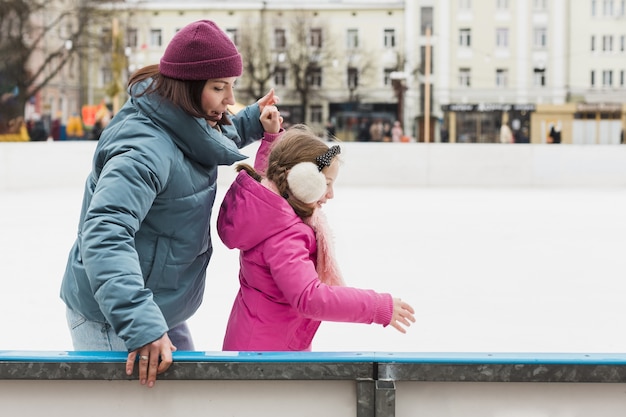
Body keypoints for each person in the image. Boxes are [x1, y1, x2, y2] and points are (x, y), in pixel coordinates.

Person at [59, 19, 279, 388]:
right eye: (218, 87)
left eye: (232, 87)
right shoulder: (142, 151)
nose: (229, 99)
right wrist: (141, 325)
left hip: (158, 302)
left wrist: (251, 122)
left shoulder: (186, 118)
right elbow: (105, 235)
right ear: (187, 88)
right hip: (113, 313)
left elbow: (205, 139)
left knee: (185, 397)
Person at [217, 125, 416, 351]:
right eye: (326, 184)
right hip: (266, 358)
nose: (331, 194)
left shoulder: (270, 210)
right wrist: (376, 306)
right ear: (302, 180)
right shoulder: (283, 235)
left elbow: (270, 173)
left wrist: (272, 138)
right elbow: (309, 297)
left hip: (263, 343)